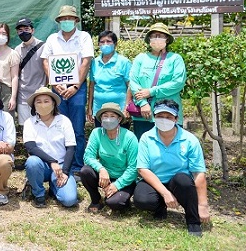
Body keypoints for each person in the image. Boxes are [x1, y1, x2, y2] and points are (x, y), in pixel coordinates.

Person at [133, 99, 210, 237]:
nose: (164, 120)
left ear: (176, 118)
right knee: (141, 199)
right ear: (154, 117)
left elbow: (199, 173)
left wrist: (202, 205)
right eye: (160, 116)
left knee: (183, 180)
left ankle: (193, 221)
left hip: (179, 183)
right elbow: (142, 169)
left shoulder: (189, 140)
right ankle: (160, 207)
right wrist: (165, 193)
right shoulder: (146, 138)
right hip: (156, 181)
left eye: (168, 117)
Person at [41, 5, 94, 172]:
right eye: (63, 19)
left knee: (77, 128)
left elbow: (86, 61)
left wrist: (75, 85)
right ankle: (63, 164)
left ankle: (78, 166)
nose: (66, 21)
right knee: (60, 126)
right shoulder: (52, 39)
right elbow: (45, 61)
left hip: (77, 89)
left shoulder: (84, 37)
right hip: (57, 89)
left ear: (76, 20)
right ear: (59, 22)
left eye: (69, 19)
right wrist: (55, 84)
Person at [128, 23, 186, 140]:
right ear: (149, 39)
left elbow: (178, 82)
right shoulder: (141, 58)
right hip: (144, 115)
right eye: (154, 36)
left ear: (167, 39)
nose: (157, 38)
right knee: (144, 147)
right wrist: (143, 103)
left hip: (168, 113)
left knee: (170, 148)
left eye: (160, 36)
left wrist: (151, 91)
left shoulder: (175, 59)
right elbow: (133, 82)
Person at [23, 86, 78, 208]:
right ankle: (38, 194)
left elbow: (71, 148)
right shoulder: (29, 123)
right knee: (32, 162)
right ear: (34, 106)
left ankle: (55, 188)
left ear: (53, 103)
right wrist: (52, 161)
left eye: (46, 101)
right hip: (41, 165)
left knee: (69, 200)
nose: (43, 104)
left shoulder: (64, 121)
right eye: (39, 102)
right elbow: (31, 147)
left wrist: (65, 172)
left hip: (62, 165)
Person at [81, 102, 138, 213]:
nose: (108, 119)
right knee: (85, 171)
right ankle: (96, 200)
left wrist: (117, 185)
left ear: (120, 119)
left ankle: (122, 198)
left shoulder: (130, 137)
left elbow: (133, 168)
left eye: (112, 116)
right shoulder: (96, 133)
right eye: (105, 116)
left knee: (114, 203)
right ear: (101, 119)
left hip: (124, 178)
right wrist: (101, 169)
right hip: (105, 176)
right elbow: (88, 156)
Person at [87, 31, 132, 127]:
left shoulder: (124, 62)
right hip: (99, 110)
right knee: (102, 138)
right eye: (102, 42)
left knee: (120, 138)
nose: (105, 44)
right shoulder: (94, 62)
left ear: (115, 44)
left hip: (119, 111)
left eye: (108, 41)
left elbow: (130, 86)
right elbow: (91, 86)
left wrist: (126, 108)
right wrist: (90, 108)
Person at [14, 17, 47, 126]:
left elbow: (48, 71)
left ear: (33, 30)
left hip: (39, 94)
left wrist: (44, 88)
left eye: (26, 29)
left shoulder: (43, 47)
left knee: (41, 125)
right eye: (20, 30)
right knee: (26, 127)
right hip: (22, 95)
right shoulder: (17, 50)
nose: (23, 32)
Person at [0, 23, 20, 120]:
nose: (1, 36)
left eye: (4, 33)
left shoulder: (13, 53)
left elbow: (15, 77)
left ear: (8, 36)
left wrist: (13, 97)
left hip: (6, 90)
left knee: (6, 119)